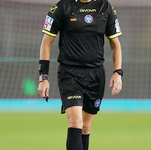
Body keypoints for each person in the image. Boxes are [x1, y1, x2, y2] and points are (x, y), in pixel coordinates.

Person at [38, 0, 123, 149]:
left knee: (85, 128)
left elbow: (115, 43)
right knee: (75, 122)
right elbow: (46, 42)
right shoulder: (62, 7)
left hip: (96, 75)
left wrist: (117, 72)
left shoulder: (105, 6)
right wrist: (43, 77)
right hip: (70, 74)